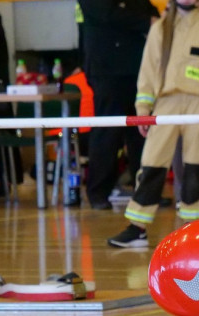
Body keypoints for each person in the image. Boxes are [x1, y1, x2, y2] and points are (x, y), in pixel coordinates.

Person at [106, 0, 199, 249]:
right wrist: (143, 109)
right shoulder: (159, 28)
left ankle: (192, 230)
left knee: (195, 168)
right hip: (165, 104)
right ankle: (138, 227)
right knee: (152, 164)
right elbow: (147, 71)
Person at [78, 0, 158, 210]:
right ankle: (98, 192)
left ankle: (144, 191)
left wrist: (152, 19)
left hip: (137, 67)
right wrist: (145, 22)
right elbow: (106, 13)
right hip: (107, 68)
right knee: (108, 131)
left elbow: (145, 8)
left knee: (141, 132)